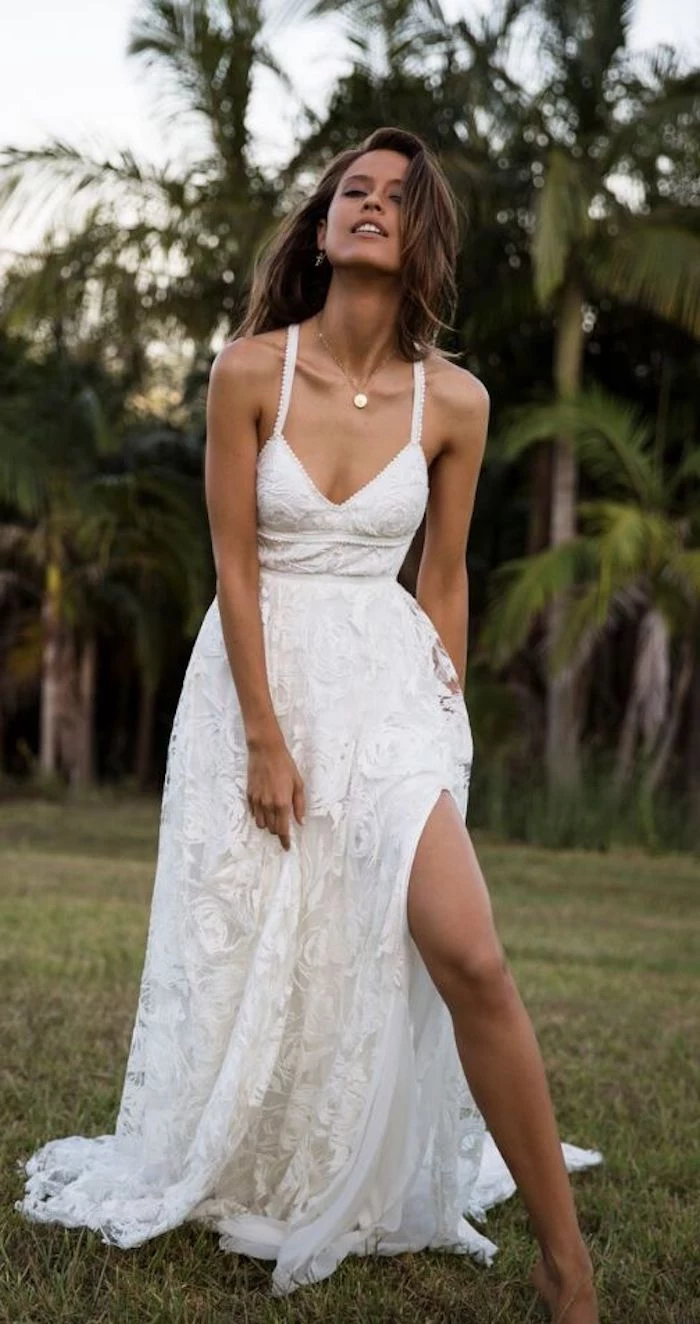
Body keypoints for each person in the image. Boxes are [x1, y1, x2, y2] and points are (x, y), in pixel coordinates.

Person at [17, 126, 602, 1321]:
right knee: (277, 944)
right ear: (324, 225)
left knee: (470, 952)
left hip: (389, 697)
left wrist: (442, 725)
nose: (370, 204)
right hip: (256, 691)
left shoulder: (458, 401)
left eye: (395, 195)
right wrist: (269, 739)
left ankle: (567, 1266)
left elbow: (443, 579)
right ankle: (267, 1150)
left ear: (423, 235)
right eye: (353, 190)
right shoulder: (249, 371)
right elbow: (237, 567)